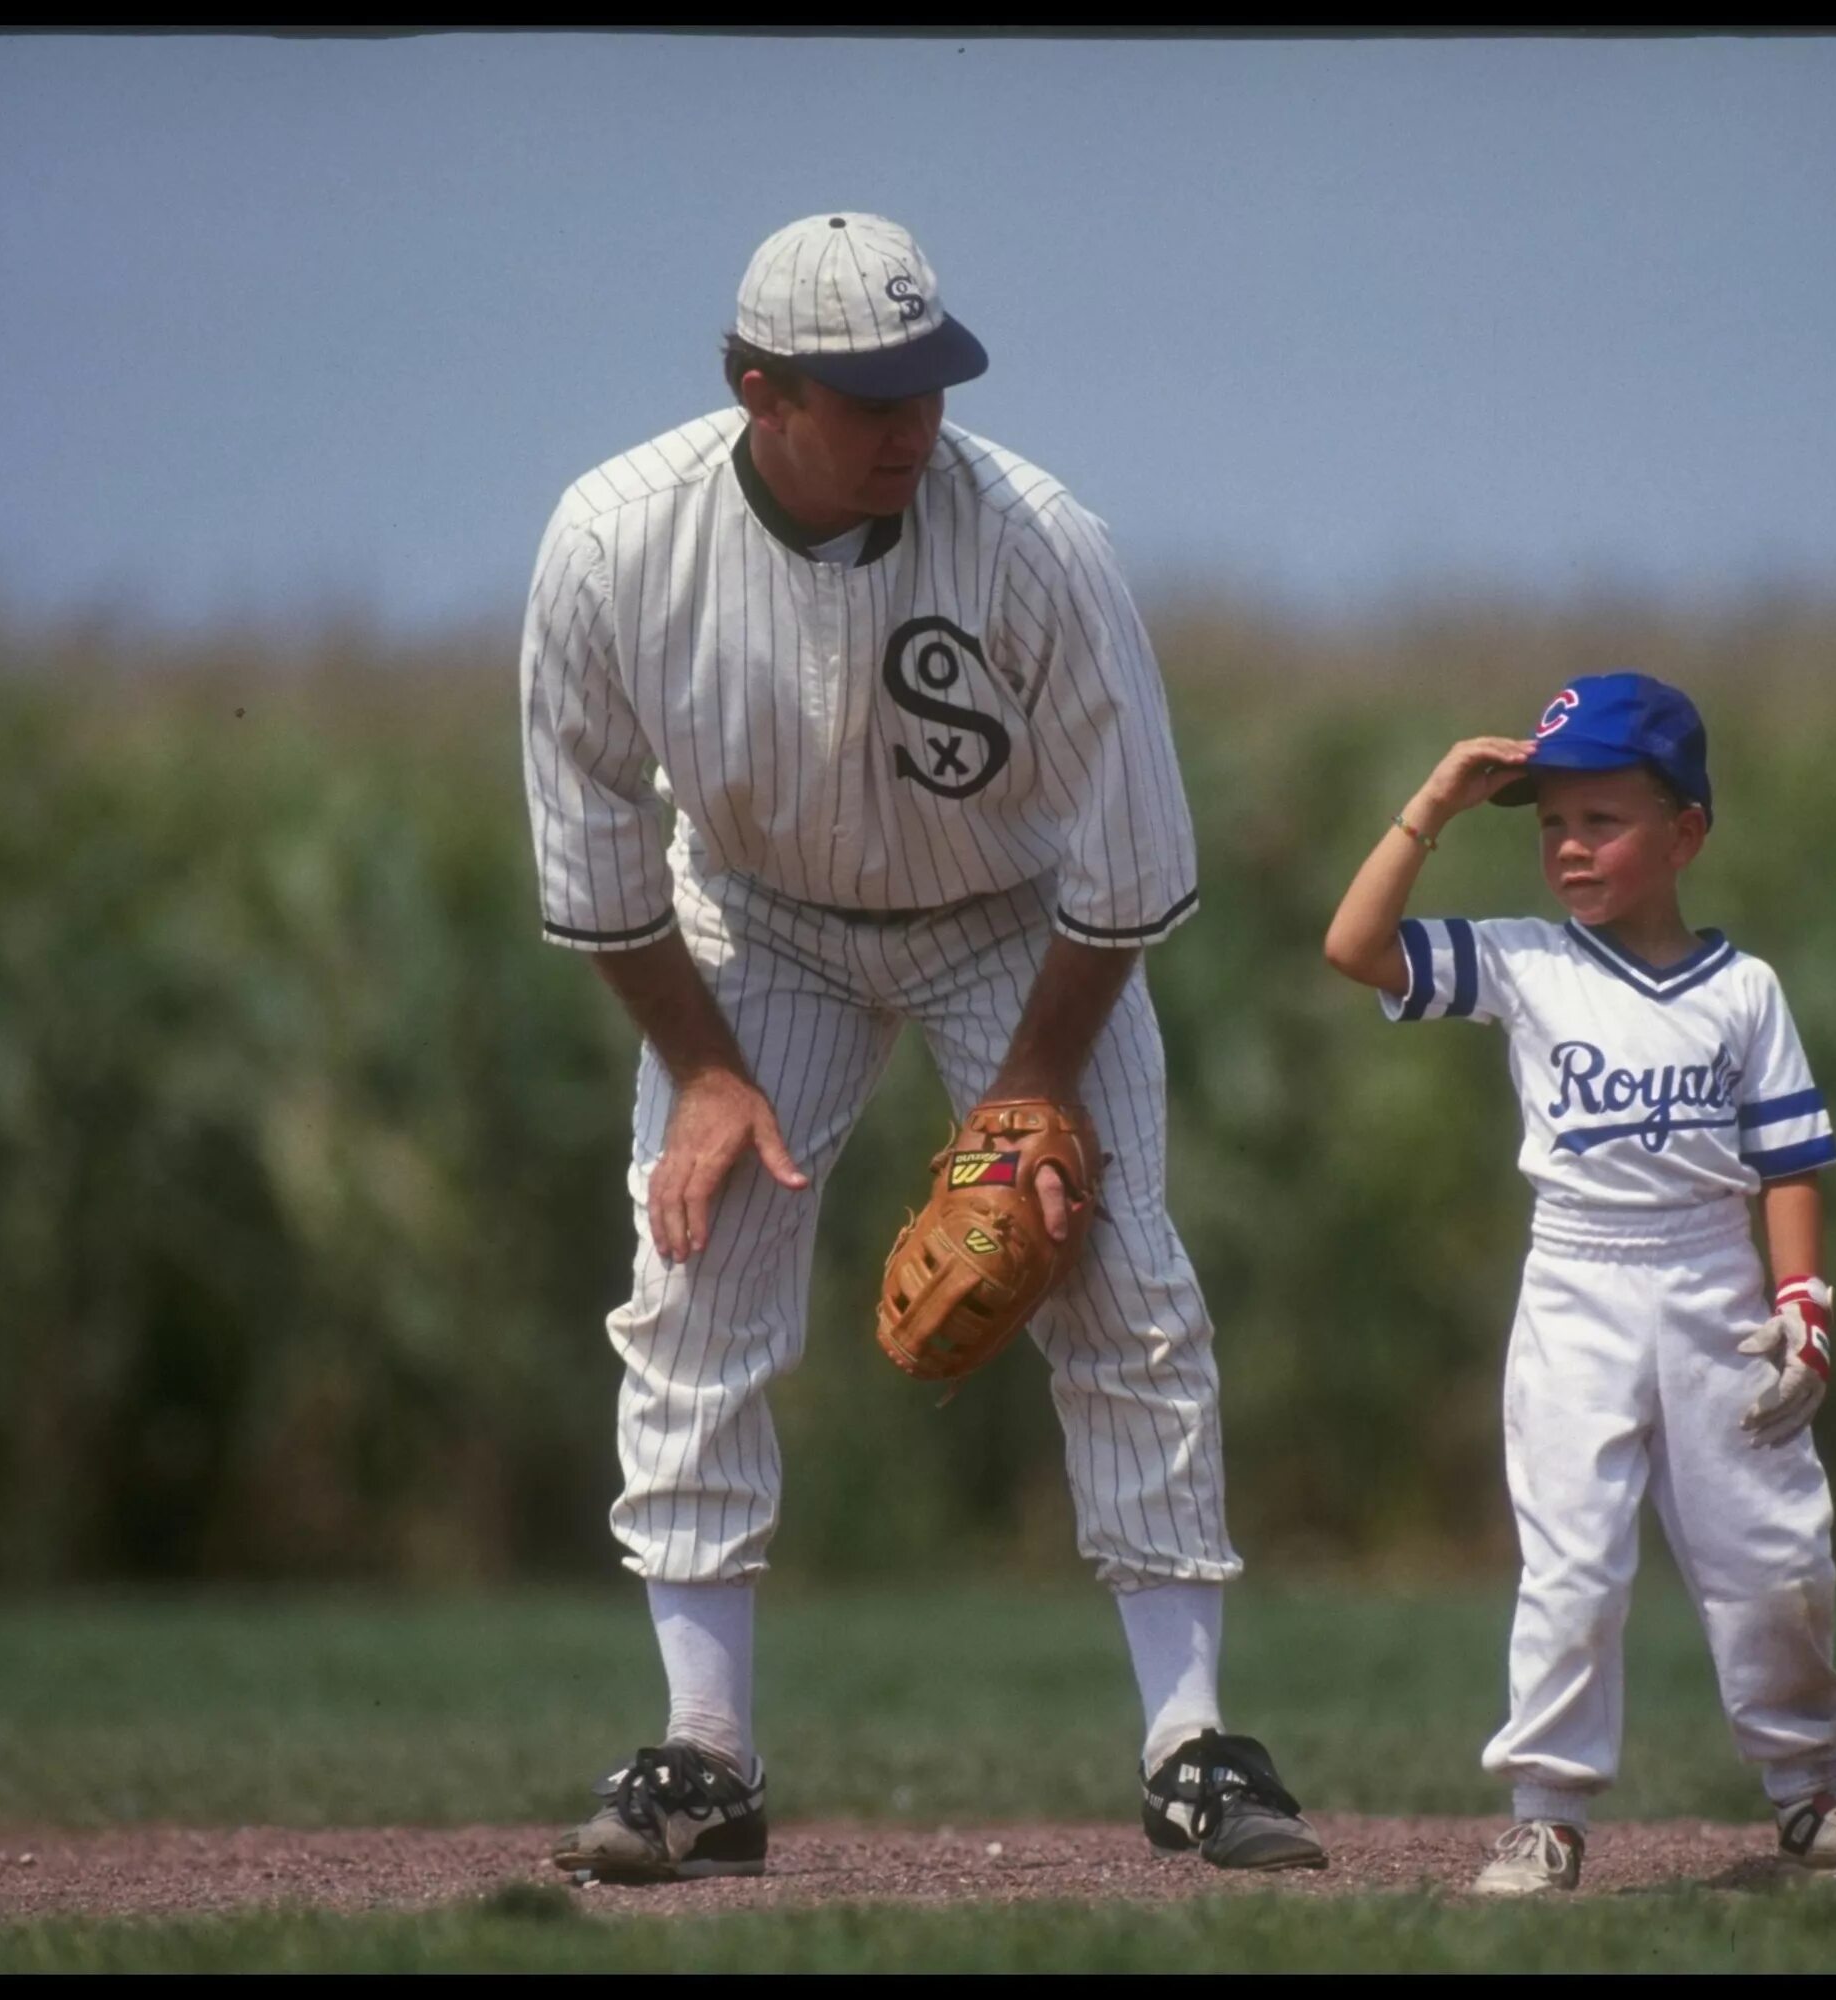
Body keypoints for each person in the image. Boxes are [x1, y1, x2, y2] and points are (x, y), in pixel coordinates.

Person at [517, 211, 1324, 1885]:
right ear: (759, 389)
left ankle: (1192, 1748)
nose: (914, 425)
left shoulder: (1037, 542)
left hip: (1016, 924)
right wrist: (714, 1075)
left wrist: (1032, 1080)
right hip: (753, 923)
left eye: (930, 384)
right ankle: (706, 1755)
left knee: (1115, 1280)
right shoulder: (613, 544)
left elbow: (1131, 861)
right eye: (868, 395)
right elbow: (594, 860)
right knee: (696, 1278)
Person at [1320, 673, 1836, 1895]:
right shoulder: (1524, 961)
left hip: (1716, 1282)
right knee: (1572, 1562)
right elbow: (1355, 947)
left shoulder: (1742, 989)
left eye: (1603, 818)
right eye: (1553, 820)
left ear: (1688, 831)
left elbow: (1790, 1161)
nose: (1569, 844)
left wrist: (1804, 1303)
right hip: (1576, 1280)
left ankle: (1815, 1797)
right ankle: (1546, 1815)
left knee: (1772, 1555)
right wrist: (1434, 805)